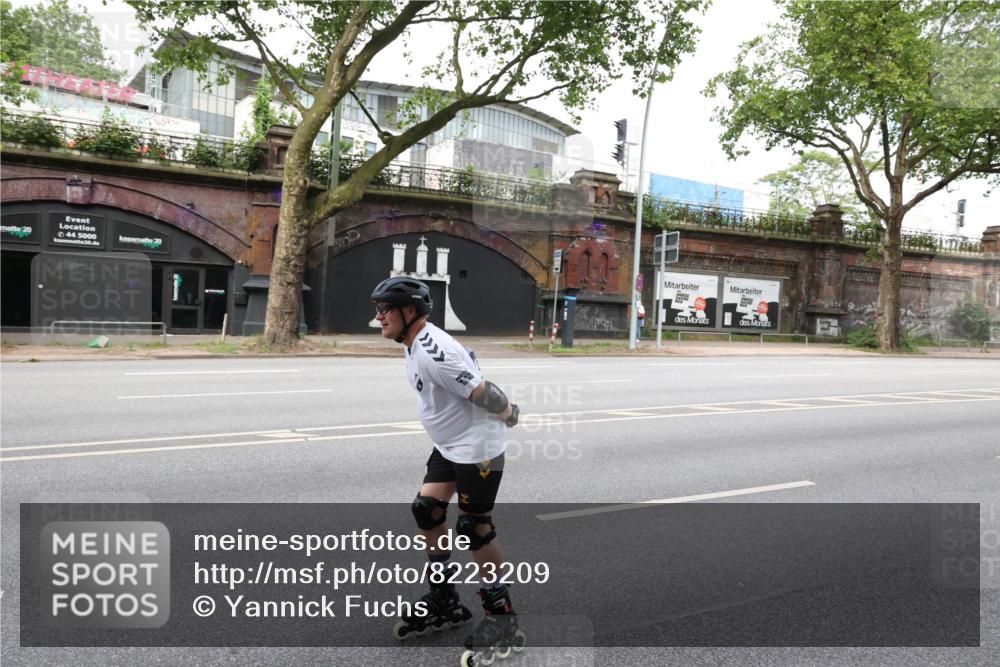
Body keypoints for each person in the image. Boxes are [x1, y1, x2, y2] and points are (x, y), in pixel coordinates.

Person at [373, 276, 523, 659]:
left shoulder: (434, 351)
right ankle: (443, 595)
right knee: (427, 510)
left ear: (410, 312)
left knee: (474, 528)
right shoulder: (411, 343)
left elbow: (482, 390)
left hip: (479, 448)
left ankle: (501, 615)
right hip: (451, 444)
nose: (379, 316)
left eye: (385, 308)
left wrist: (509, 415)